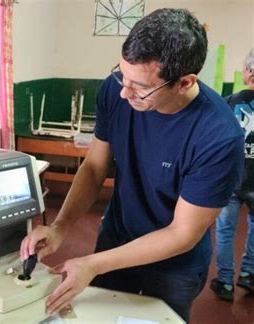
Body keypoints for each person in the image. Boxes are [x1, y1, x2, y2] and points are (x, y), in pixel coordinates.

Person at [20, 8, 244, 322]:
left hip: (174, 265)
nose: (124, 92)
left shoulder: (218, 136)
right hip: (116, 237)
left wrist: (93, 264)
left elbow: (182, 234)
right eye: (121, 74)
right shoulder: (117, 90)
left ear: (184, 82)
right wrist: (60, 227)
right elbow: (94, 168)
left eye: (139, 86)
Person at [210, 48, 254, 301]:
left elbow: (219, 141)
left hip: (232, 178)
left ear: (248, 72)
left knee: (225, 230)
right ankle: (249, 274)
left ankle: (225, 282)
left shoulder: (228, 102)